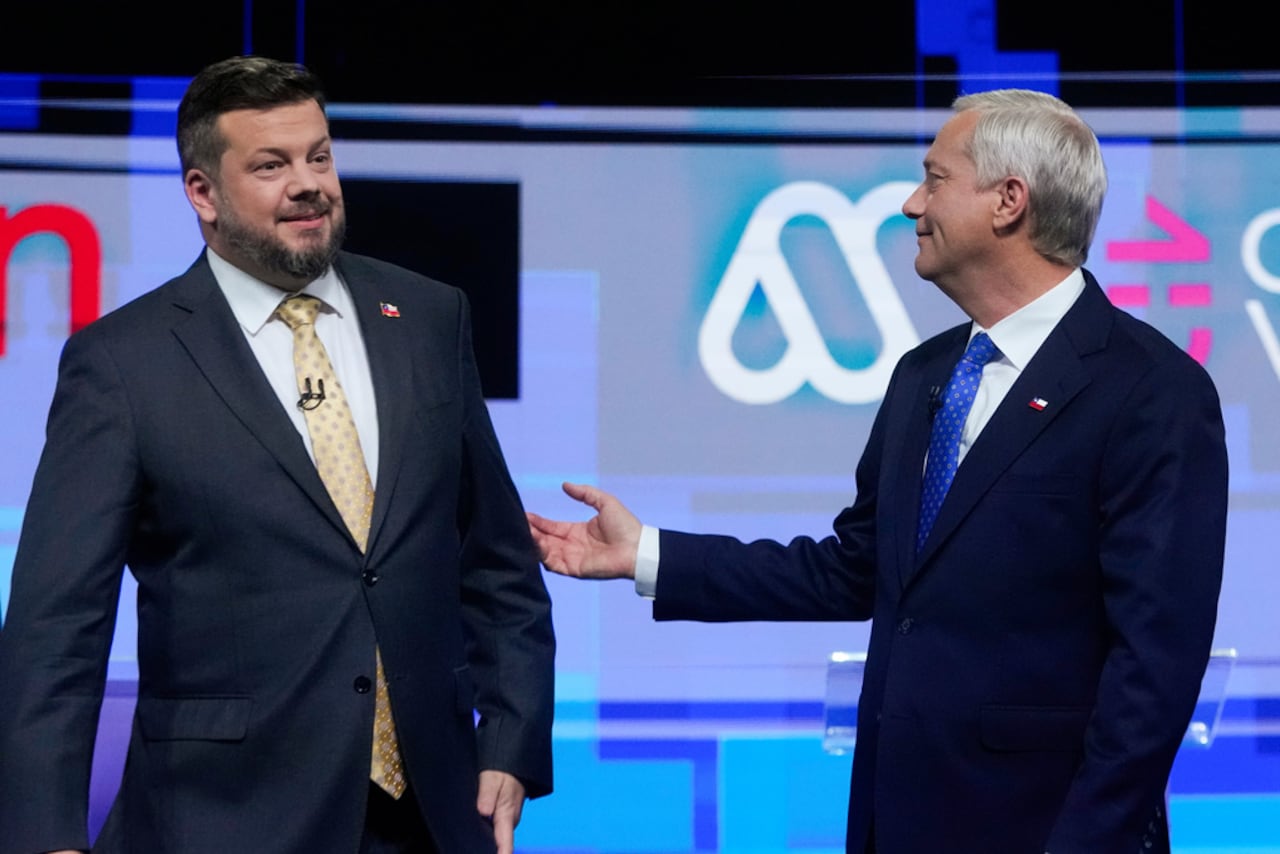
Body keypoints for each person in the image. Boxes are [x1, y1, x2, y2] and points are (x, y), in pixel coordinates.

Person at [529, 89, 1228, 854]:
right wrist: (648, 554)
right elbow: (859, 570)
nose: (909, 204)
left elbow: (1154, 670)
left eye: (934, 179)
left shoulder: (1150, 390)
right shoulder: (923, 374)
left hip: (1047, 830)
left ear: (1008, 201)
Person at [0, 56, 554, 854]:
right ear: (202, 192)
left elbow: (497, 559)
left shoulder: (429, 317)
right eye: (271, 165)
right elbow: (58, 627)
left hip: (431, 812)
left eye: (319, 156)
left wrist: (510, 740)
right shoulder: (122, 363)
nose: (308, 183)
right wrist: (44, 834)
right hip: (223, 817)